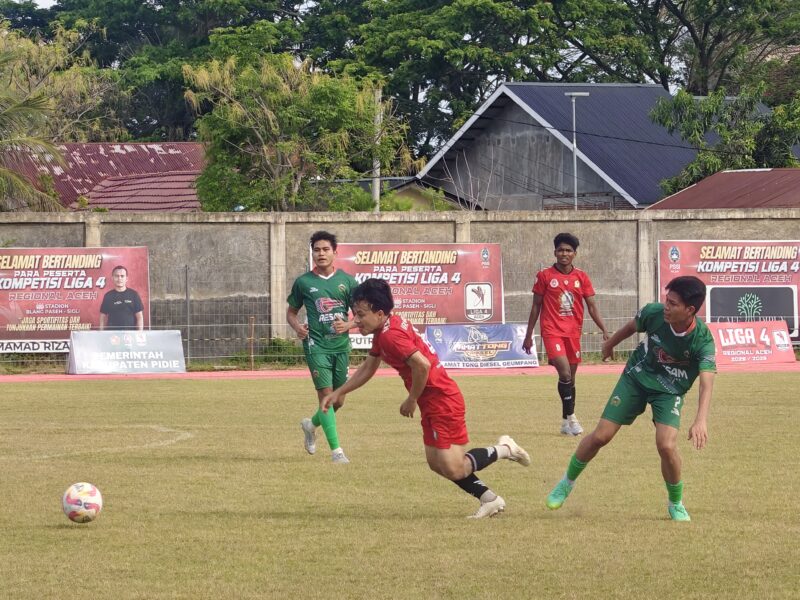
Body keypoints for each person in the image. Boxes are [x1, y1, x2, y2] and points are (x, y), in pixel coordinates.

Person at [321, 278, 531, 519]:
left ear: (379, 313)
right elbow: (369, 367)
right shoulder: (384, 329)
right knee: (436, 463)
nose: (355, 320)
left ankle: (505, 449)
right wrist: (340, 392)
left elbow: (422, 366)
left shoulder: (391, 336)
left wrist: (411, 399)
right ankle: (490, 499)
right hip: (430, 401)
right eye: (354, 314)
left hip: (442, 399)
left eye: (360, 315)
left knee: (453, 466)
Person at [545, 276, 716, 522]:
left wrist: (701, 420)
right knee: (601, 435)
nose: (666, 306)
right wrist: (609, 345)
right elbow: (630, 328)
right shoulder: (654, 313)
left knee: (666, 445)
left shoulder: (703, 339)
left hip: (669, 390)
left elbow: (706, 382)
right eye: (666, 300)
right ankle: (565, 483)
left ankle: (675, 502)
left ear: (690, 310)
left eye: (673, 304)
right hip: (636, 378)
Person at [522, 233, 609, 436]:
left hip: (573, 333)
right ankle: (573, 419)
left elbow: (592, 306)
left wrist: (604, 329)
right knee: (565, 374)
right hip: (552, 331)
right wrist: (528, 335)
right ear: (555, 252)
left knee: (571, 381)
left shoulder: (581, 277)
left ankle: (564, 422)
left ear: (575, 254)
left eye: (568, 250)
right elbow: (536, 306)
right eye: (561, 250)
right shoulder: (544, 276)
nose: (564, 253)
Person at [287, 231, 358, 464]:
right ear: (312, 253)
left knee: (338, 400)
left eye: (325, 249)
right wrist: (297, 327)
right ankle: (337, 452)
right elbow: (291, 313)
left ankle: (311, 425)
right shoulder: (304, 282)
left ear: (335, 253)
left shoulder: (347, 282)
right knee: (326, 397)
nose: (321, 254)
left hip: (341, 346)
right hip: (316, 346)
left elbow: (360, 315)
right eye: (316, 250)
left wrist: (347, 323)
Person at [99, 265, 144, 331]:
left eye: (122, 276)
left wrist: (139, 334)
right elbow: (102, 318)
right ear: (112, 278)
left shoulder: (134, 295)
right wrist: (101, 334)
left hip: (130, 336)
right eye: (116, 276)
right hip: (112, 336)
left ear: (126, 278)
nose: (119, 278)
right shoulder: (108, 296)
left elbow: (139, 317)